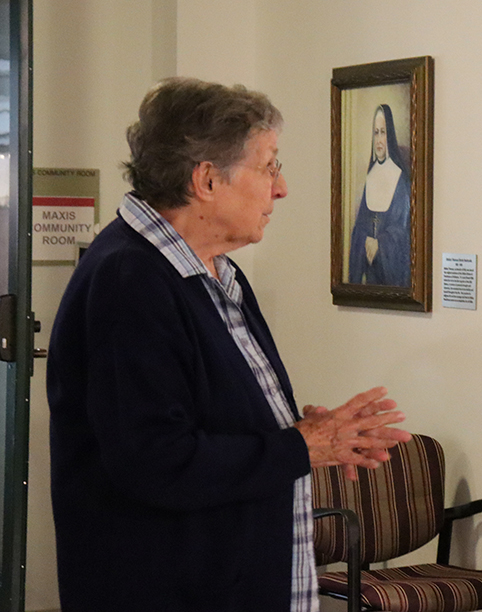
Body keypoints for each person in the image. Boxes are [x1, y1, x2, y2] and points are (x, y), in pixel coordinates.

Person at [47, 78, 412, 612]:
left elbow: (203, 418)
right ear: (207, 181)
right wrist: (301, 446)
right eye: (269, 167)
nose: (282, 188)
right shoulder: (130, 281)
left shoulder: (214, 271)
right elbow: (154, 462)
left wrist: (299, 432)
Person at [348, 103, 411, 287]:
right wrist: (365, 240)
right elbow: (360, 226)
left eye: (383, 132)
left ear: (389, 134)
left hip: (390, 273)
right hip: (371, 271)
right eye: (376, 133)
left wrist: (380, 245)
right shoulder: (371, 175)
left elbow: (402, 232)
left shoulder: (400, 179)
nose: (379, 140)